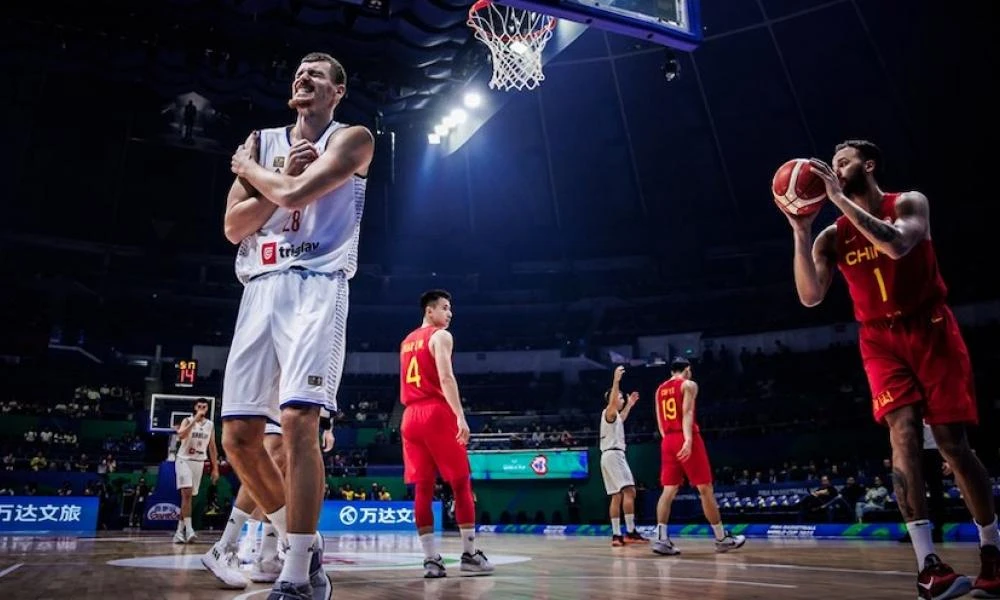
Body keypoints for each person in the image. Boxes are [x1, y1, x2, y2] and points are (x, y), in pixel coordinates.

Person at [788, 139, 999, 599]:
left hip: (932, 326)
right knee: (901, 432)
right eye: (833, 163)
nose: (835, 168)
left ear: (868, 164)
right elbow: (809, 296)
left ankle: (992, 551)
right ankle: (928, 566)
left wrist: (837, 198)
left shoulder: (907, 202)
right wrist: (802, 232)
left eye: (843, 161)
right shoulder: (831, 236)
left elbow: (899, 245)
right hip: (879, 340)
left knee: (952, 445)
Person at [218, 50, 374, 600]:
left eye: (317, 74)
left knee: (298, 422)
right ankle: (299, 547)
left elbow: (294, 195)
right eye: (298, 73)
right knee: (238, 438)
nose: (302, 78)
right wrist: (275, 175)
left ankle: (297, 573)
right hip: (259, 289)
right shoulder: (263, 139)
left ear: (337, 91)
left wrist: (259, 175)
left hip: (316, 285)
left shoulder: (353, 139)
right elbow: (234, 228)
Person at [399, 290, 493, 578]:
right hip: (436, 412)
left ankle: (431, 560)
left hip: (409, 416)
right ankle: (470, 554)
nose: (450, 313)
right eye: (445, 308)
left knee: (423, 489)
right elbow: (445, 376)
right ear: (430, 311)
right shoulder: (440, 336)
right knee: (461, 484)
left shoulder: (405, 342)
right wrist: (460, 416)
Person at [650, 358, 745, 556]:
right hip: (685, 436)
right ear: (687, 369)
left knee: (668, 490)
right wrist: (688, 439)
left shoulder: (659, 390)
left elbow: (659, 420)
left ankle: (661, 539)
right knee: (705, 488)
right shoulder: (689, 384)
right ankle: (721, 539)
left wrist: (669, 440)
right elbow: (687, 413)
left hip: (667, 440)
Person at [599, 366, 647, 547]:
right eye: (620, 397)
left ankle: (617, 535)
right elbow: (613, 401)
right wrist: (616, 381)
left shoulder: (614, 417)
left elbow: (622, 417)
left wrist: (630, 405)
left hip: (608, 456)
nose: (622, 398)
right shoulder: (609, 411)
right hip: (614, 455)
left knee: (617, 496)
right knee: (630, 492)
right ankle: (630, 531)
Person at [173, 398, 219, 544]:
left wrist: (215, 468)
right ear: (195, 407)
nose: (201, 409)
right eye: (199, 406)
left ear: (207, 409)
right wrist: (194, 421)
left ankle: (179, 532)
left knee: (188, 499)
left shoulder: (210, 425)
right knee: (186, 493)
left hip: (199, 462)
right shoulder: (187, 420)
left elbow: (212, 447)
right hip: (184, 460)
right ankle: (190, 530)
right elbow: (181, 435)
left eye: (204, 407)